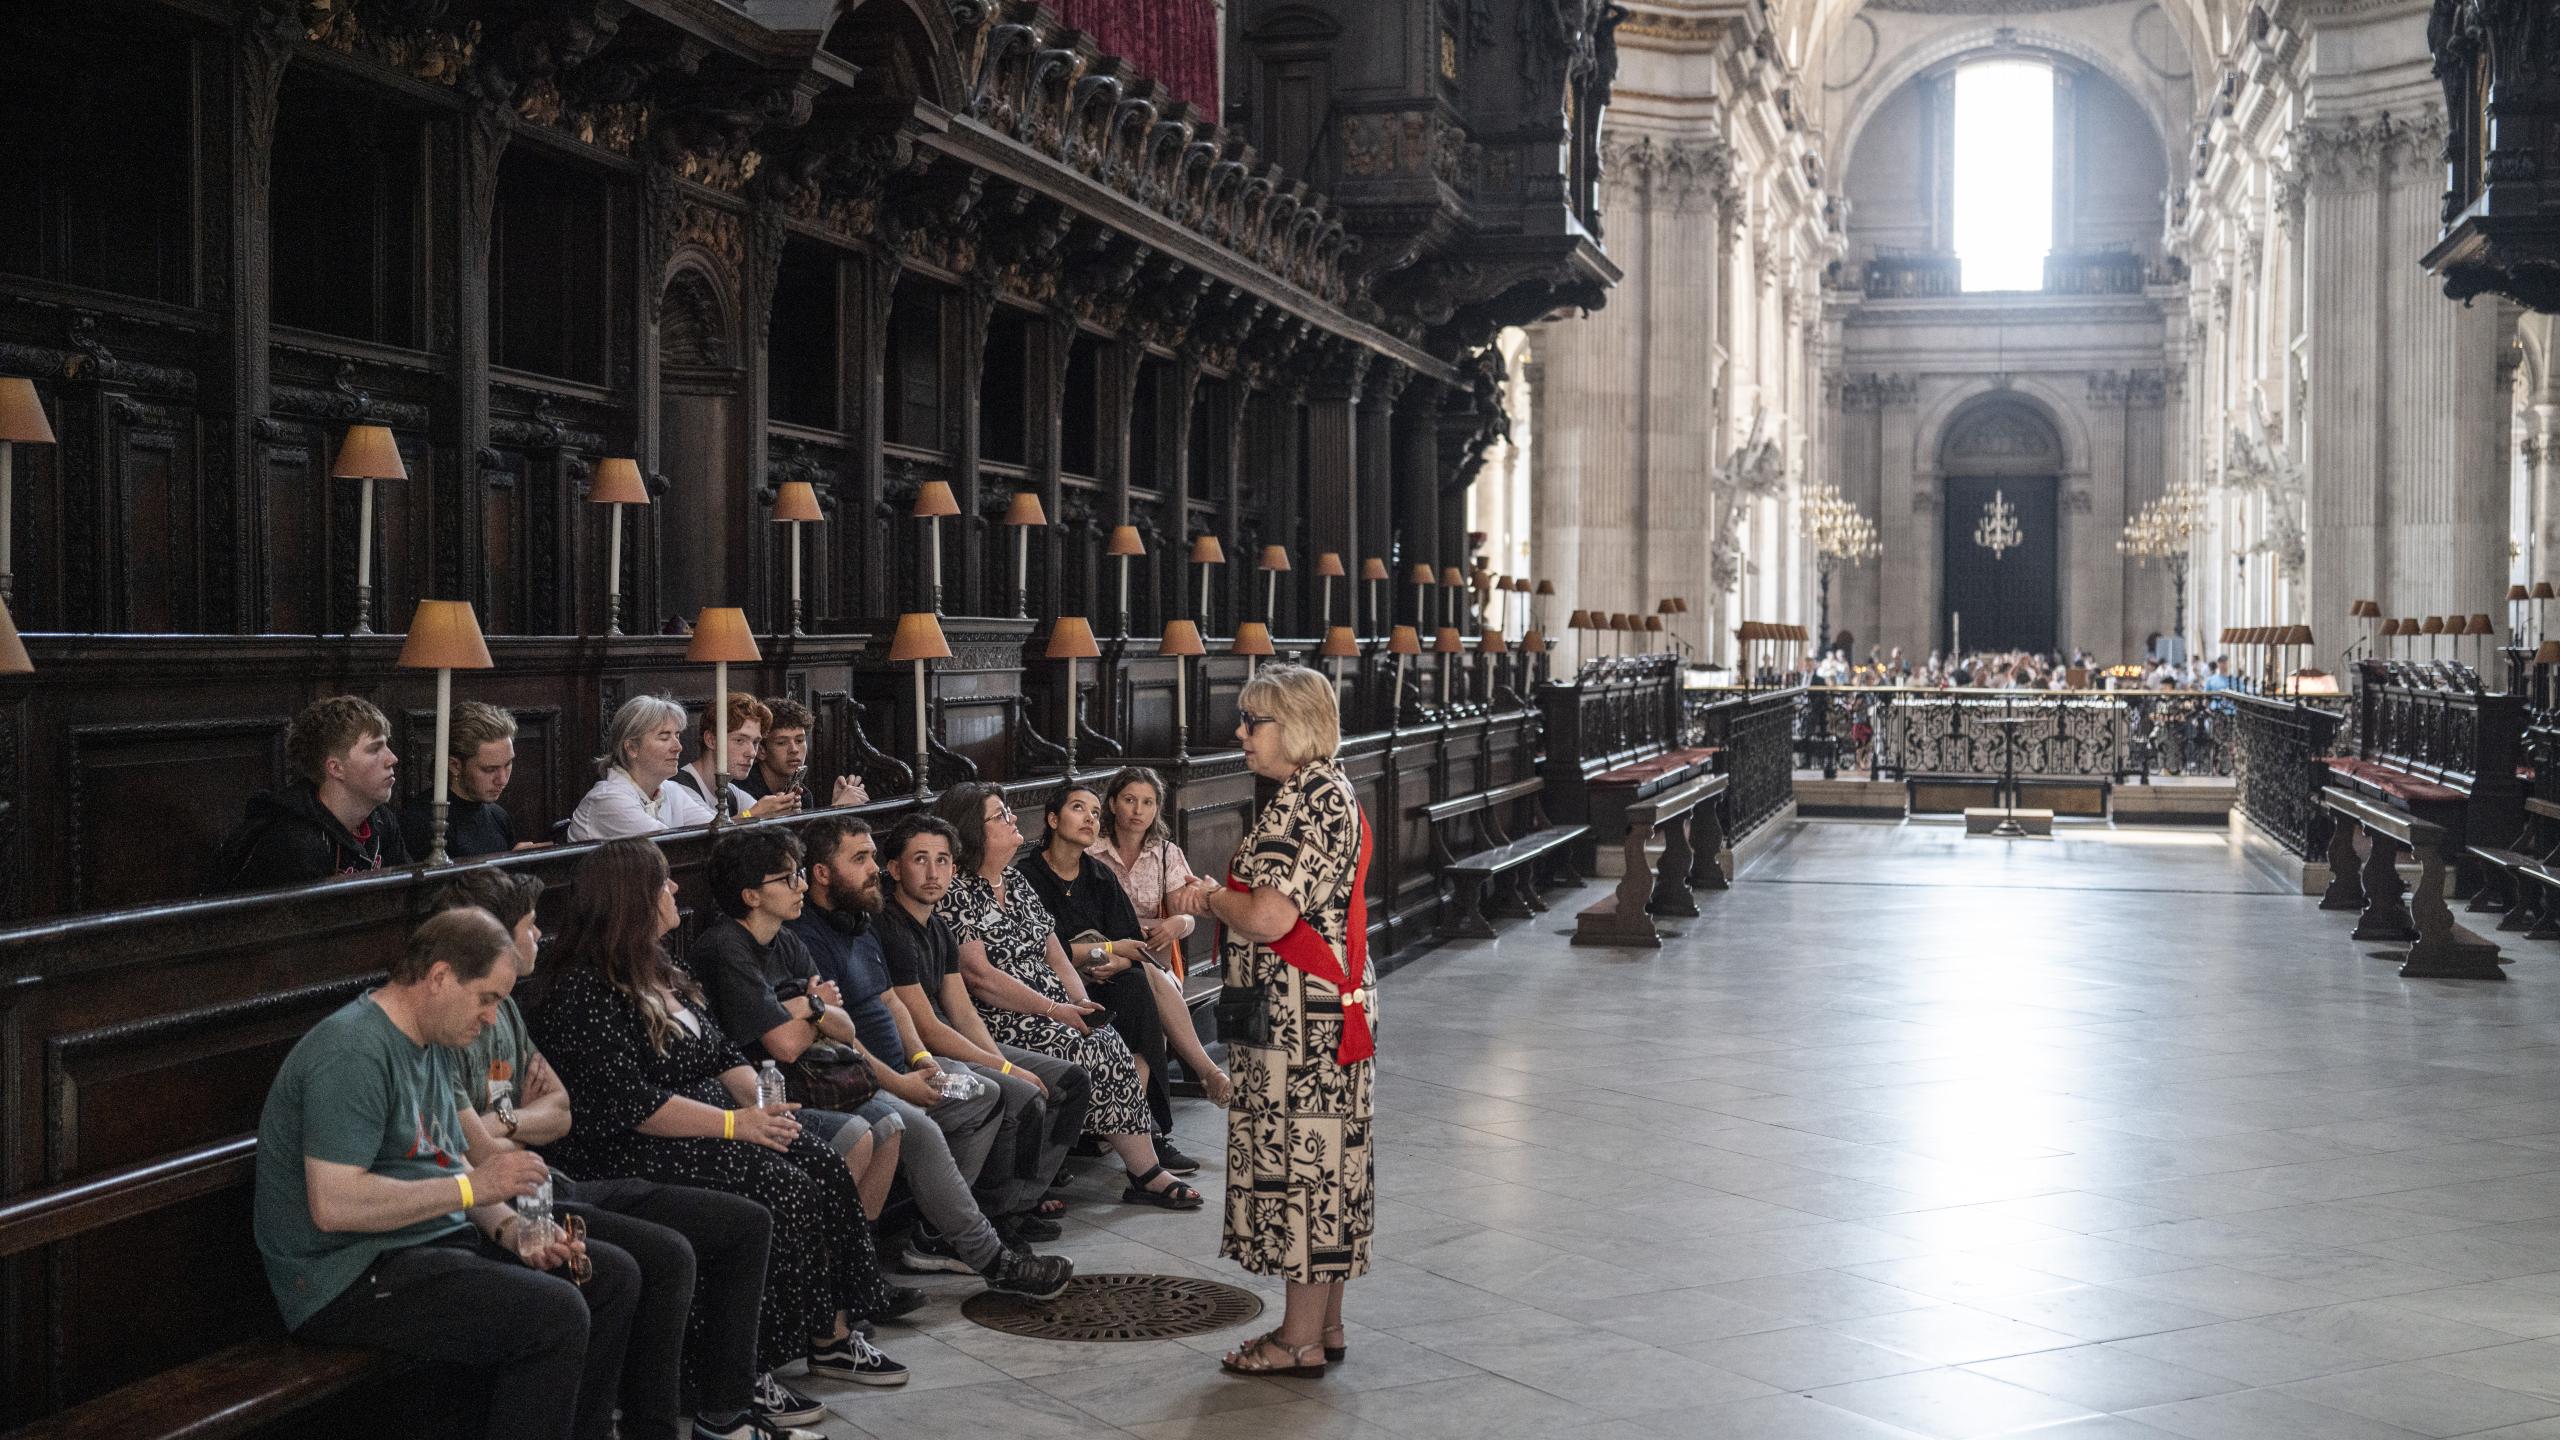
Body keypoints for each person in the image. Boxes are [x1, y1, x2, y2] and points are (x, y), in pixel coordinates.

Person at [421, 869, 817, 1440]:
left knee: (742, 1222)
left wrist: (511, 1128)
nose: (540, 939)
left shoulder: (501, 1010)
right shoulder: (443, 1030)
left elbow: (558, 1113)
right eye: (531, 929)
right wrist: (516, 1143)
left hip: (538, 1180)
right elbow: (485, 1150)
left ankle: (721, 1414)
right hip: (544, 1183)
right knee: (630, 1266)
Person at [526, 839, 913, 1404]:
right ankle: (743, 1369)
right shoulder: (585, 989)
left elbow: (721, 1052)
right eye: (662, 882)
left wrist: (756, 1106)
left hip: (708, 1117)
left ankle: (832, 1335)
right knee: (778, 1187)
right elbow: (632, 1102)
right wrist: (737, 1127)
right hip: (630, 1143)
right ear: (630, 900)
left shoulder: (659, 966)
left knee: (818, 1160)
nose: (675, 890)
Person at [254, 908, 639, 1440]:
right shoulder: (351, 1050)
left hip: (421, 1248)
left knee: (606, 1275)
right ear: (438, 977)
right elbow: (334, 1203)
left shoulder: (430, 1043)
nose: (489, 1019)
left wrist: (512, 1229)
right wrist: (471, 1188)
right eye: (486, 999)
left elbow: (447, 1159)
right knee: (554, 1315)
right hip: (344, 1276)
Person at [1166, 664, 1375, 1379]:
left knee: (1302, 1174)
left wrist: (1210, 897)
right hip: (1316, 1014)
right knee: (1328, 1169)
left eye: (1254, 721)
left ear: (1296, 725)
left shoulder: (1307, 799)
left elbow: (1268, 915)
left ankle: (1297, 1341)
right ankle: (1328, 1325)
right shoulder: (1320, 789)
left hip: (1301, 1028)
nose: (1241, 734)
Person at [783, 815, 1074, 1298]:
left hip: (904, 1069)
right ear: (821, 873)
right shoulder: (809, 938)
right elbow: (834, 1040)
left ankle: (935, 1232)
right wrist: (901, 1085)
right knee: (920, 1125)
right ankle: (989, 1257)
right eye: (860, 859)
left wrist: (921, 1059)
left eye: (872, 856)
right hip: (861, 1081)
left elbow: (893, 1003)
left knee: (981, 1092)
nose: (873, 867)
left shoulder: (859, 919)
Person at [935, 782, 1204, 1211]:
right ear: (973, 830)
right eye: (1000, 815)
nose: (1011, 819)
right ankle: (1033, 1183)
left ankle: (1144, 1170)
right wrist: (1053, 1009)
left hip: (1052, 1006)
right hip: (1001, 1015)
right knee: (1082, 1048)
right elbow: (979, 976)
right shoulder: (955, 891)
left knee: (1105, 1038)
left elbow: (1056, 955)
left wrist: (1079, 1003)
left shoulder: (1016, 883)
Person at [872, 813, 1086, 1243]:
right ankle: (969, 1221)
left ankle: (1017, 1204)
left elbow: (961, 1010)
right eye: (920, 860)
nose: (934, 873)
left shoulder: (938, 927)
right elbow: (928, 1026)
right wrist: (1005, 1071)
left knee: (1071, 1082)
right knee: (1019, 1096)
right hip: (917, 1055)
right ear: (895, 868)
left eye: (943, 861)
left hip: (955, 1043)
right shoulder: (890, 927)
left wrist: (1002, 1060)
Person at [687, 827, 904, 1214]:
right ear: (751, 896)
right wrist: (813, 1005)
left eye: (799, 874)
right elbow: (782, 1046)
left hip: (814, 1074)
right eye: (788, 879)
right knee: (857, 1134)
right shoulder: (726, 948)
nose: (801, 886)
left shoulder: (785, 938)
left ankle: (859, 1253)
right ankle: (826, 1258)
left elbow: (845, 1027)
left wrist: (809, 1008)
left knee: (890, 1126)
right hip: (761, 1088)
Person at [1024, 780, 1231, 1167]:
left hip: (1104, 977)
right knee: (1143, 984)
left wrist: (1116, 959)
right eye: (1077, 809)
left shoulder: (1099, 875)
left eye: (1093, 812)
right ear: (1052, 819)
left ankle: (1145, 1130)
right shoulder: (1028, 876)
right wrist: (1108, 952)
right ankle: (1150, 1127)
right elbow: (1042, 950)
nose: (1089, 818)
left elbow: (1131, 943)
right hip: (1053, 984)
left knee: (1138, 985)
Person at [216, 696, 411, 891]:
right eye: (374, 749)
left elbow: (411, 896)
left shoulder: (381, 820)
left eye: (387, 745)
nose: (392, 758)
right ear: (335, 768)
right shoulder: (295, 843)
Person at [401, 700, 544, 860]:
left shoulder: (499, 816)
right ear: (455, 765)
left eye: (508, 764)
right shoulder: (422, 821)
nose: (502, 780)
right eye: (489, 769)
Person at [567, 695, 715, 841]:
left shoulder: (671, 790)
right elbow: (668, 848)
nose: (678, 747)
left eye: (677, 736)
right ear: (632, 748)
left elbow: (719, 831)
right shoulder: (609, 799)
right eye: (664, 737)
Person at [672, 693, 801, 822]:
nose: (751, 752)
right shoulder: (679, 789)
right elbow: (711, 836)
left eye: (755, 742)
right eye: (739, 740)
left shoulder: (732, 792)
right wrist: (753, 814)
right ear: (711, 740)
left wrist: (782, 810)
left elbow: (759, 816)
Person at [749, 697, 869, 808]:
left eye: (800, 740)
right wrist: (836, 809)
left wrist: (838, 806)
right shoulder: (742, 791)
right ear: (761, 751)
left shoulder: (803, 794)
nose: (794, 749)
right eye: (781, 743)